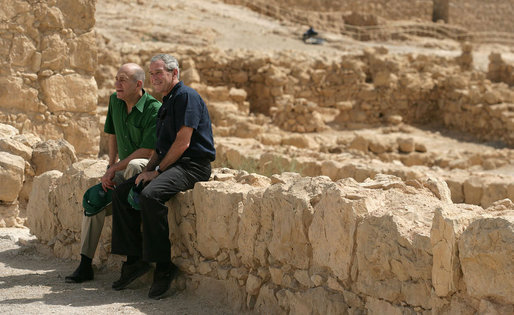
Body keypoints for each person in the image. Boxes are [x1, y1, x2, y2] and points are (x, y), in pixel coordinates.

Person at [110, 54, 216, 300]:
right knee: (123, 192)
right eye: (152, 73)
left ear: (174, 74)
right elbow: (160, 148)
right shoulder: (167, 101)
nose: (154, 78)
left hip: (192, 166)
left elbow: (183, 142)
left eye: (159, 73)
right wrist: (147, 170)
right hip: (171, 165)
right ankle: (134, 260)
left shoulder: (186, 97)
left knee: (151, 195)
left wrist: (156, 173)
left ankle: (163, 267)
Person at [65, 63, 161, 283]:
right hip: (121, 170)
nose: (117, 83)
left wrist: (116, 168)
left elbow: (147, 150)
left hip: (144, 170)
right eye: (116, 78)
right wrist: (110, 166)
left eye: (123, 79)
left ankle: (134, 254)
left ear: (138, 84)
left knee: (136, 164)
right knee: (93, 200)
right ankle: (85, 263)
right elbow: (112, 133)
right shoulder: (114, 101)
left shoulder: (154, 109)